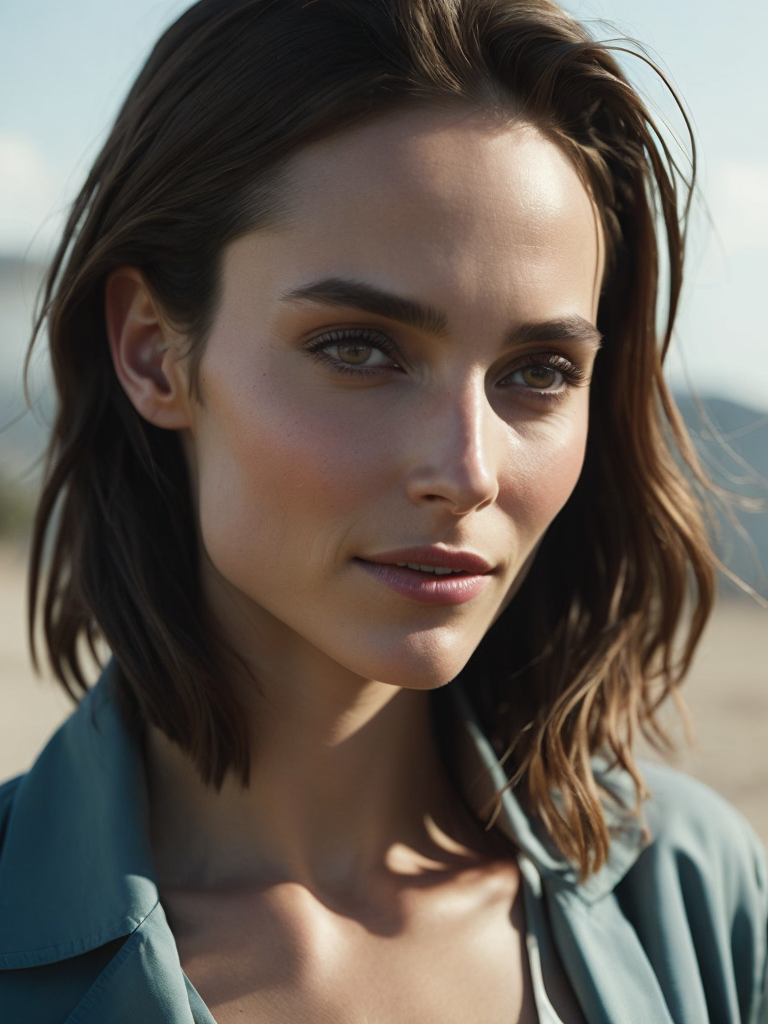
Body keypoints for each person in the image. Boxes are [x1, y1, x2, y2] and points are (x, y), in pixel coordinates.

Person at [1, 0, 766, 1021]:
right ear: (153, 348)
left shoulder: (695, 893)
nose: (467, 469)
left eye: (540, 370)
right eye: (358, 347)